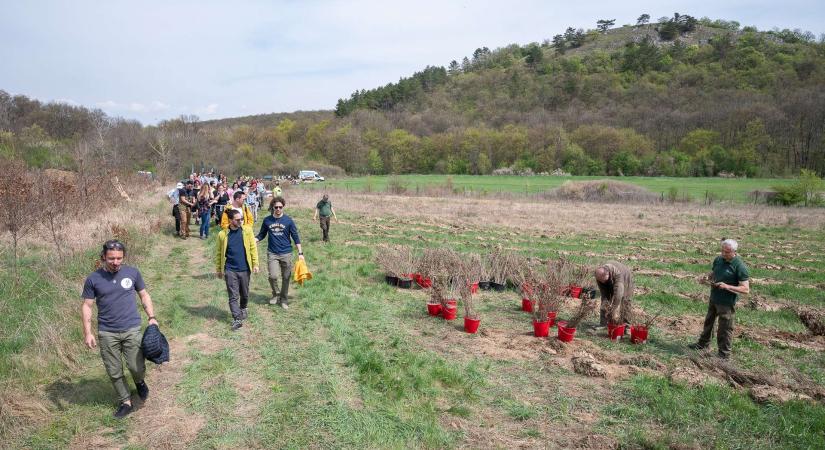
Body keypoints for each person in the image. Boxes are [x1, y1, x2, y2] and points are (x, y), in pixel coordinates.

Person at [81, 240, 158, 418]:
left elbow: (144, 295)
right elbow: (87, 306)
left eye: (119, 258)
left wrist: (152, 317)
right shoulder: (93, 279)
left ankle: (139, 381)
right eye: (111, 259)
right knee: (114, 370)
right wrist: (88, 332)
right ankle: (125, 401)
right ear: (103, 257)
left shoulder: (132, 273)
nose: (116, 262)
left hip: (131, 328)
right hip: (107, 332)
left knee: (135, 365)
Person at [689, 239, 750, 359]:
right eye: (722, 251)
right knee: (708, 322)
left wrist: (727, 286)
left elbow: (746, 289)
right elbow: (714, 272)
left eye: (727, 252)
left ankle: (724, 355)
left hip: (726, 302)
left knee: (725, 329)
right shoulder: (718, 260)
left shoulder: (740, 266)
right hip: (714, 297)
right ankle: (703, 344)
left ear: (734, 252)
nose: (723, 254)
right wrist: (707, 277)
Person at [256, 196, 303, 309]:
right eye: (276, 207)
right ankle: (275, 294)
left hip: (286, 253)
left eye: (280, 207)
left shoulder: (288, 221)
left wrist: (300, 253)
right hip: (272, 253)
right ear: (272, 207)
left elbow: (295, 237)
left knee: (286, 277)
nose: (278, 209)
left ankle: (284, 299)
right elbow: (262, 234)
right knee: (273, 276)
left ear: (283, 207)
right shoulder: (267, 220)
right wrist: (254, 239)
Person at [215, 209, 259, 330]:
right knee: (233, 295)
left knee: (244, 293)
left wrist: (255, 264)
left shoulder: (247, 231)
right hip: (230, 269)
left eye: (241, 219)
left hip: (245, 268)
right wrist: (219, 269)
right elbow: (219, 253)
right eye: (238, 219)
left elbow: (252, 248)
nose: (240, 221)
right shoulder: (222, 235)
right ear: (230, 220)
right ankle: (237, 318)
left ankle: (243, 307)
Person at [594, 261, 634, 330]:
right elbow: (604, 295)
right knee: (605, 299)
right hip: (608, 278)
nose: (603, 283)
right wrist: (606, 305)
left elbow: (618, 296)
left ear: (608, 274)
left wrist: (613, 309)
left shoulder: (618, 274)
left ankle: (627, 325)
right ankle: (603, 323)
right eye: (601, 281)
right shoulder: (599, 275)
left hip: (625, 278)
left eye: (605, 281)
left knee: (625, 301)